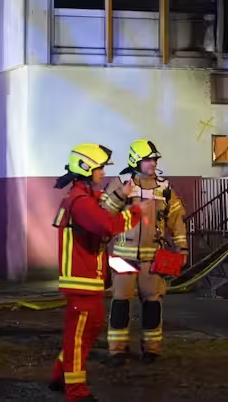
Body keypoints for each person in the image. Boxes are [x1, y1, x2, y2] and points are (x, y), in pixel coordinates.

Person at [49, 144, 141, 401]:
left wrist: (122, 196)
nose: (103, 172)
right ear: (87, 168)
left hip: (90, 280)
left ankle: (60, 375)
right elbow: (107, 225)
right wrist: (134, 211)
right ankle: (76, 391)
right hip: (81, 281)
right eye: (100, 167)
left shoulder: (85, 197)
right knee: (77, 337)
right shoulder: (79, 201)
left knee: (88, 330)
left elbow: (104, 209)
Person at [101, 139, 188, 366]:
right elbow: (103, 214)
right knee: (120, 304)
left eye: (154, 159)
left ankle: (152, 350)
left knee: (153, 304)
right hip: (123, 256)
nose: (153, 163)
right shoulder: (120, 183)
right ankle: (117, 350)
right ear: (136, 161)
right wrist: (121, 195)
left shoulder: (164, 188)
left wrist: (182, 248)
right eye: (148, 159)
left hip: (153, 257)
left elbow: (176, 220)